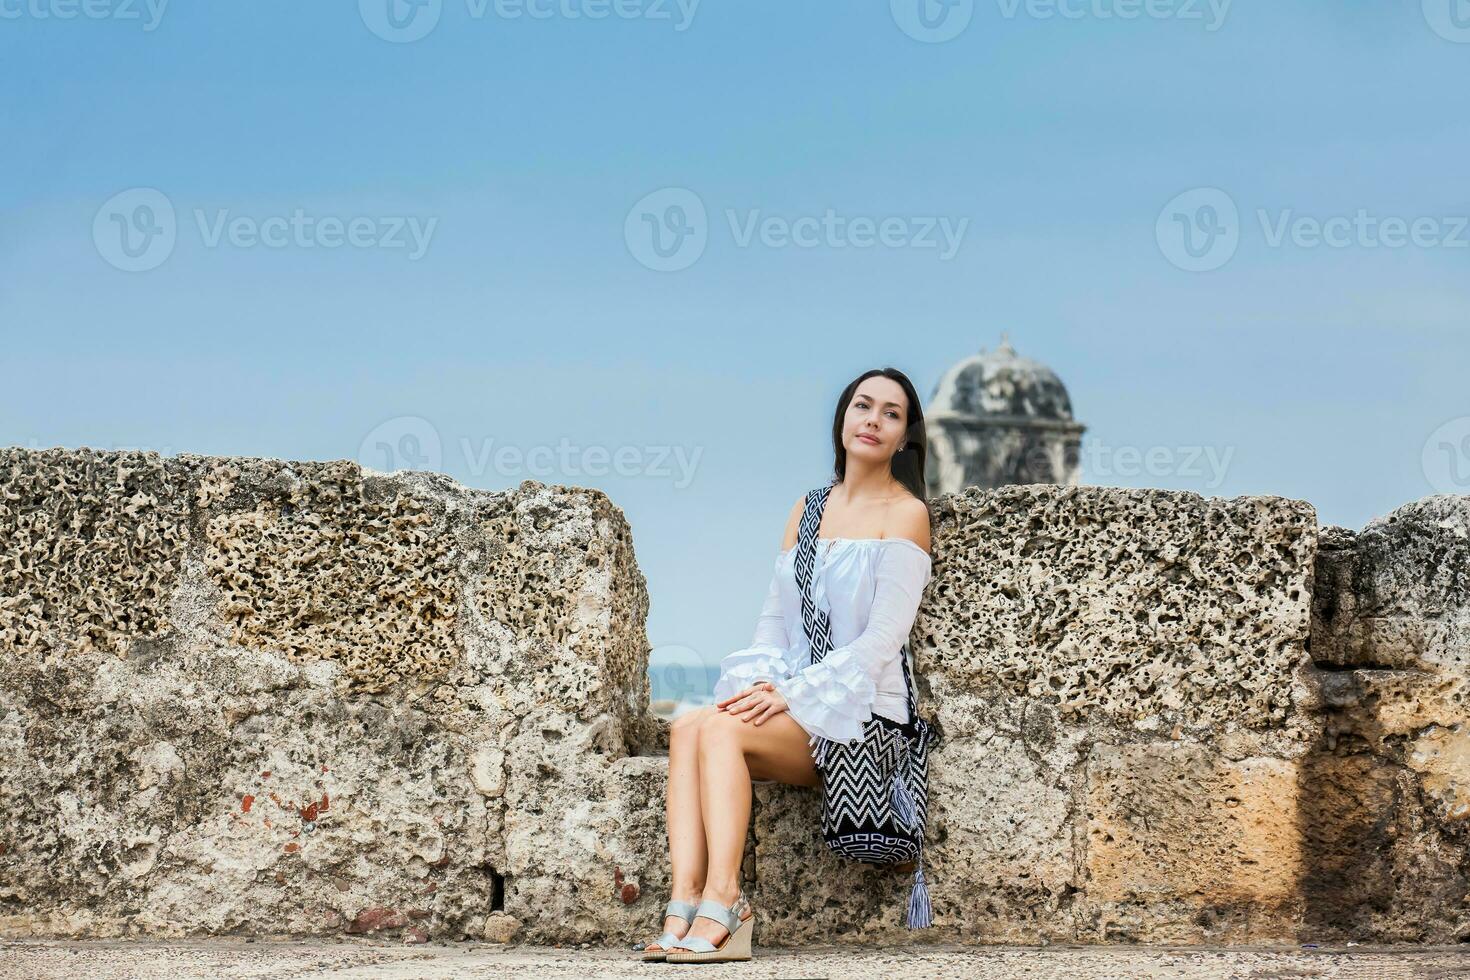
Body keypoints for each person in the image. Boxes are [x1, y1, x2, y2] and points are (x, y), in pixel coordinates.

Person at [640, 368, 935, 964]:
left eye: (891, 413)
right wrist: (760, 687)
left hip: (860, 719)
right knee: (690, 724)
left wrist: (795, 693)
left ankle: (729, 904)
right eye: (863, 406)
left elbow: (882, 639)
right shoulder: (808, 508)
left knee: (720, 729)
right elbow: (776, 621)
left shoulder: (906, 515)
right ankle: (684, 901)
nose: (873, 420)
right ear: (844, 418)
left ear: (906, 436)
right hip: (800, 702)